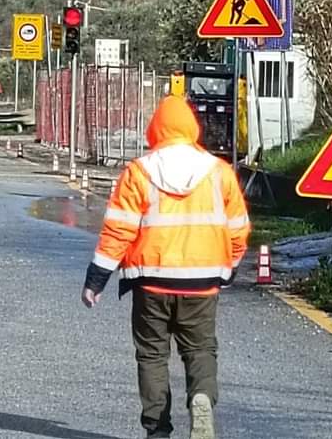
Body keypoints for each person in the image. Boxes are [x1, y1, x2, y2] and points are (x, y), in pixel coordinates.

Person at [81, 95, 250, 439]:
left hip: (151, 281)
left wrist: (96, 280)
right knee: (200, 349)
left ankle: (158, 429)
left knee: (152, 355)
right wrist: (229, 267)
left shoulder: (139, 172)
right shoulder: (219, 172)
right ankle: (201, 397)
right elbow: (238, 228)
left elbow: (119, 229)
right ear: (192, 128)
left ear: (154, 129)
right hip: (202, 282)